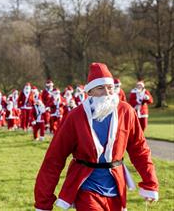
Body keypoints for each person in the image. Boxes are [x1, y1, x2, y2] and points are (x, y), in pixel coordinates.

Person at [34, 62, 158, 211]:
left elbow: (140, 150)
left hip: (116, 187)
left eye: (110, 88)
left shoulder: (126, 111)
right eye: (101, 88)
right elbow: (54, 158)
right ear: (90, 92)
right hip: (87, 187)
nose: (107, 92)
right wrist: (43, 202)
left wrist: (150, 183)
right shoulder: (75, 116)